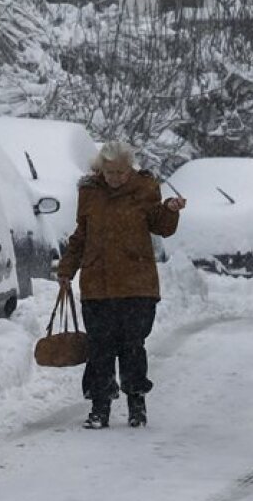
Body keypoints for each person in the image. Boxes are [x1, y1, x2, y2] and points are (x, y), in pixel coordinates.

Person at [56, 141, 186, 429]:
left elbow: (161, 226)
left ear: (130, 169)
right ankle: (99, 407)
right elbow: (81, 235)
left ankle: (136, 404)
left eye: (120, 172)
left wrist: (170, 209)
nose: (114, 178)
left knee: (132, 346)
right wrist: (67, 270)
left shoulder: (145, 189)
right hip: (98, 285)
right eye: (109, 172)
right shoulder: (89, 192)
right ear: (100, 169)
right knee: (99, 348)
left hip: (136, 286)